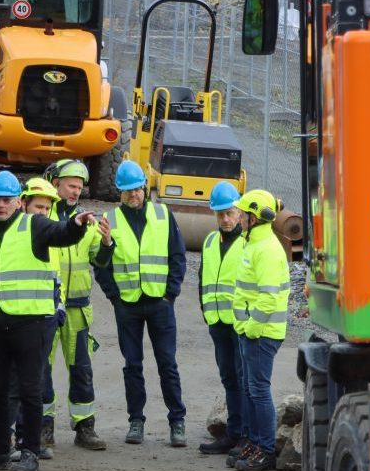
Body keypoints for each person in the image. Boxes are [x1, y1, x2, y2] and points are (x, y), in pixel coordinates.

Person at [0, 171, 97, 471]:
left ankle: (30, 451)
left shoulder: (34, 225)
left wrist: (76, 225)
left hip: (30, 322)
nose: (0, 204)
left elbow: (60, 234)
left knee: (30, 389)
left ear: (19, 202)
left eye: (6, 199)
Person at [93, 160, 188, 447]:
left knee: (167, 364)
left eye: (137, 189)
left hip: (160, 303)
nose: (133, 195)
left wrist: (170, 294)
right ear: (120, 193)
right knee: (132, 365)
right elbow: (100, 264)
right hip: (129, 305)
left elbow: (178, 256)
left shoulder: (162, 215)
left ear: (145, 188)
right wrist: (114, 297)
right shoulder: (110, 220)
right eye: (127, 191)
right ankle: (136, 420)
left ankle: (177, 421)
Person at [41, 159, 107, 451]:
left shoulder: (88, 220)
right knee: (42, 368)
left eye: (79, 187)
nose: (75, 192)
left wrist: (107, 244)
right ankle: (43, 427)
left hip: (78, 308)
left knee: (81, 368)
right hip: (45, 305)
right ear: (55, 184)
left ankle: (85, 427)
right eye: (71, 185)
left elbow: (99, 261)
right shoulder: (43, 216)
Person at [227, 189, 290, 471]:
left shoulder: (267, 250)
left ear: (255, 218)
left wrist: (251, 328)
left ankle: (265, 449)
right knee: (251, 391)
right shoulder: (253, 243)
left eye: (242, 213)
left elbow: (268, 296)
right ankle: (254, 442)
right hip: (251, 331)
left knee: (259, 391)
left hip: (261, 333)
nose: (238, 217)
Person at [7, 177, 68, 461]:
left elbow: (54, 276)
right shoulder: (17, 233)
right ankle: (15, 439)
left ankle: (28, 438)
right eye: (38, 206)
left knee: (36, 382)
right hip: (19, 317)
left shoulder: (49, 233)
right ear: (24, 204)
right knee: (16, 382)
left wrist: (59, 307)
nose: (42, 212)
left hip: (46, 316)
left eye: (46, 208)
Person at [197, 182, 249, 455]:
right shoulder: (208, 242)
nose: (225, 219)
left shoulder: (247, 244)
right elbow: (202, 278)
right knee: (229, 378)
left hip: (240, 324)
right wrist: (206, 312)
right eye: (220, 214)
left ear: (239, 212)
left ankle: (245, 436)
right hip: (217, 321)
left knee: (244, 379)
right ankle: (234, 433)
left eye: (229, 213)